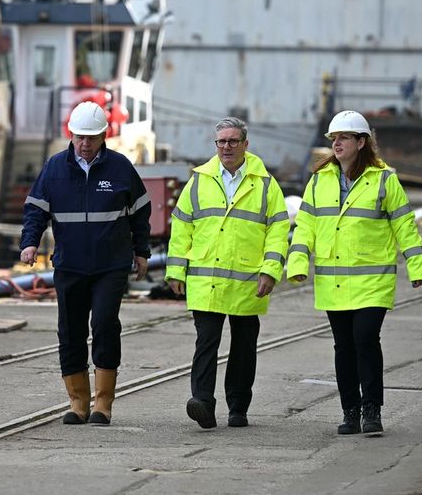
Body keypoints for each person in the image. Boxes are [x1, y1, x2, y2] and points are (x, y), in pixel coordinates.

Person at [287, 110, 422, 435]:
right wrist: (296, 263)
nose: (336, 143)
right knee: (343, 346)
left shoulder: (383, 179)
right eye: (334, 138)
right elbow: (305, 224)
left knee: (365, 339)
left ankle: (371, 409)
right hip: (333, 281)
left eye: (344, 137)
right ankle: (349, 411)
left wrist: (416, 263)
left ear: (361, 142)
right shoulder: (319, 180)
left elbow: (404, 224)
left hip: (372, 280)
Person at [20, 101, 151, 426]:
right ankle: (78, 402)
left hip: (111, 265)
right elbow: (36, 210)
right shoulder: (54, 168)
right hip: (70, 266)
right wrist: (29, 243)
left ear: (103, 136)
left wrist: (141, 251)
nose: (85, 144)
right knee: (71, 331)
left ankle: (103, 404)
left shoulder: (121, 168)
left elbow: (141, 213)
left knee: (105, 325)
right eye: (80, 137)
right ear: (71, 135)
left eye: (91, 138)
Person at [165, 117, 289, 429]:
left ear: (246, 145)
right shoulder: (199, 180)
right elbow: (181, 229)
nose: (227, 147)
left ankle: (238, 407)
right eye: (221, 141)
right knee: (206, 341)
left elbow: (278, 231)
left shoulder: (264, 185)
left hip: (248, 280)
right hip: (207, 280)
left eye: (233, 141)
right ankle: (203, 402)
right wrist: (176, 271)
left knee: (244, 346)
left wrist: (271, 270)